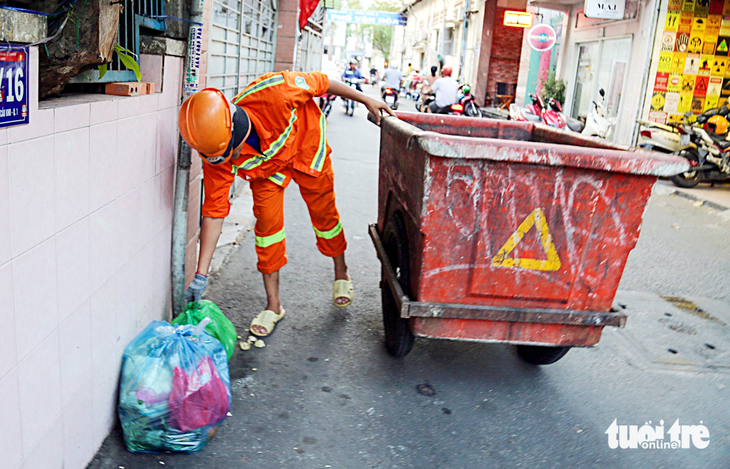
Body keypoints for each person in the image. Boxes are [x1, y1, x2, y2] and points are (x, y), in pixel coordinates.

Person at [179, 71, 395, 337]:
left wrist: (365, 99)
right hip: (268, 171)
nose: (222, 162)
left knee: (324, 216)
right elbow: (214, 211)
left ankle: (341, 272)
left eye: (225, 155)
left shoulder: (277, 91)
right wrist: (201, 274)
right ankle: (274, 305)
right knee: (267, 232)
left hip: (305, 147)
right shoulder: (215, 149)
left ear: (234, 135)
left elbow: (324, 83)